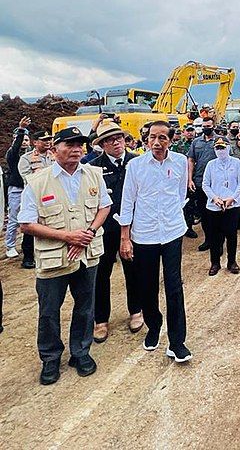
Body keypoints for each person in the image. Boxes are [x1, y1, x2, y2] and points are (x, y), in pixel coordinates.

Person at [18, 126, 112, 385]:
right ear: (53, 149)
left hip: (86, 254)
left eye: (80, 144)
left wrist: (89, 233)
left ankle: (80, 352)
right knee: (49, 311)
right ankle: (50, 358)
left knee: (85, 306)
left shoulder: (93, 174)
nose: (76, 149)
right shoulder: (38, 181)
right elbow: (26, 223)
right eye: (69, 144)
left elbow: (104, 206)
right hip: (53, 258)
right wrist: (68, 237)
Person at [118, 121, 192, 363]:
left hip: (172, 232)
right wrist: (125, 237)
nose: (157, 142)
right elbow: (127, 201)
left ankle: (177, 342)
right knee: (147, 286)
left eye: (163, 138)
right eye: (152, 137)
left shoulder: (180, 162)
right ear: (146, 140)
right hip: (145, 234)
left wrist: (170, 217)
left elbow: (181, 195)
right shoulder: (135, 166)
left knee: (174, 286)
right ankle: (154, 326)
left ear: (171, 140)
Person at [88, 120, 142, 343]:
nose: (116, 142)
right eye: (110, 139)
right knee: (102, 274)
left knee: (134, 270)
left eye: (119, 138)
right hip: (107, 227)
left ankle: (136, 311)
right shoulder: (93, 167)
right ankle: (101, 320)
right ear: (102, 144)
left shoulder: (137, 162)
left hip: (134, 226)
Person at [202, 137, 240, 275]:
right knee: (214, 236)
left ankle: (232, 261)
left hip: (232, 205)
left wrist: (232, 198)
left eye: (222, 148)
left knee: (231, 235)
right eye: (217, 148)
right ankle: (215, 263)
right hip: (215, 205)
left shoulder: (236, 163)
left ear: (228, 148)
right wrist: (215, 198)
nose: (220, 151)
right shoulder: (211, 164)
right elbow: (205, 184)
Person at [17, 130, 55, 268]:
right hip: (35, 196)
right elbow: (27, 177)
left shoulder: (55, 156)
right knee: (31, 226)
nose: (47, 142)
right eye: (44, 140)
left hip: (53, 196)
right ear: (35, 142)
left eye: (49, 139)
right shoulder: (26, 158)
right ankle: (28, 257)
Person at [187, 116, 217, 251]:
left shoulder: (221, 141)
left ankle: (218, 241)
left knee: (217, 214)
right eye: (204, 126)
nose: (206, 129)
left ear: (213, 126)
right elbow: (191, 160)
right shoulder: (196, 142)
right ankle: (209, 240)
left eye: (208, 126)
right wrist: (190, 179)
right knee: (204, 213)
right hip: (199, 182)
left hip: (216, 184)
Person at [5, 117, 32, 258]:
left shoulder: (32, 155)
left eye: (26, 140)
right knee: (14, 219)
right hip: (16, 189)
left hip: (30, 189)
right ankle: (10, 246)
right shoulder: (12, 154)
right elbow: (16, 147)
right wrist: (21, 129)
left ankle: (27, 245)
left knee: (31, 217)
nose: (24, 142)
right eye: (21, 139)